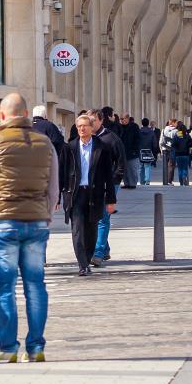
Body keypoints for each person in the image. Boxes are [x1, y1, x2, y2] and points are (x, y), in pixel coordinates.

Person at [0, 92, 59, 364]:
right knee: (35, 285)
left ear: (4, 115)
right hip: (36, 223)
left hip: (3, 222)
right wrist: (46, 214)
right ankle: (36, 347)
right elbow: (53, 187)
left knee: (5, 287)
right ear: (26, 115)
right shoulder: (46, 143)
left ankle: (8, 347)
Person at [59, 114, 117, 276]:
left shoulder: (102, 147)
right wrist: (57, 196)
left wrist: (111, 200)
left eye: (85, 126)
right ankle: (82, 264)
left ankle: (88, 257)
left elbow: (108, 176)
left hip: (95, 195)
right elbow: (61, 174)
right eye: (79, 127)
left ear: (92, 128)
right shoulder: (69, 148)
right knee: (77, 229)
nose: (82, 129)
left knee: (91, 231)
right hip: (75, 194)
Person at [88, 108, 123, 267]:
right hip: (90, 184)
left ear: (101, 120)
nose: (90, 124)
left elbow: (121, 162)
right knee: (94, 217)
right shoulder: (86, 138)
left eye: (93, 121)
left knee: (102, 218)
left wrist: (114, 181)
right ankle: (105, 248)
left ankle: (98, 253)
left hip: (108, 184)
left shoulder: (111, 139)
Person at [119, 114, 140, 189]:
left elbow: (137, 139)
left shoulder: (134, 126)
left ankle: (133, 183)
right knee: (124, 169)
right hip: (122, 151)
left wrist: (135, 149)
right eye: (120, 119)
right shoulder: (119, 127)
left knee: (132, 168)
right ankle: (126, 183)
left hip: (132, 151)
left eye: (123, 118)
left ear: (127, 118)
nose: (121, 120)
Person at [138, 118, 159, 186]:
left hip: (140, 151)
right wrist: (154, 150)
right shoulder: (151, 132)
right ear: (148, 123)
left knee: (141, 166)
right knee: (147, 166)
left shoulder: (139, 131)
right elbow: (154, 143)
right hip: (148, 150)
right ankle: (147, 180)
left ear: (142, 123)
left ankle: (141, 181)